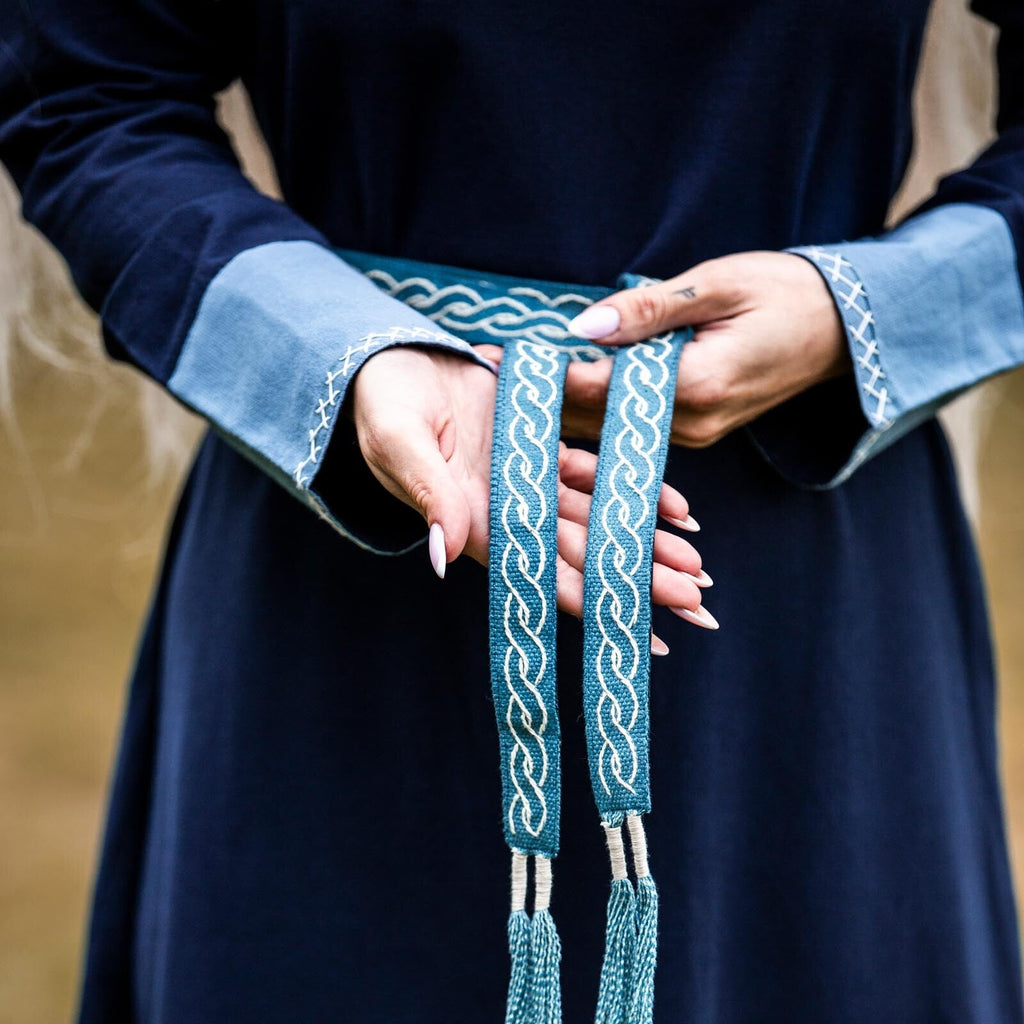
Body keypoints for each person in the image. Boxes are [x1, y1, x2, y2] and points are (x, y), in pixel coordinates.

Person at [1, 0, 1022, 1021]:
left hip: (804, 626)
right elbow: (84, 93)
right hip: (356, 577)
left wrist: (857, 311)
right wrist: (341, 357)